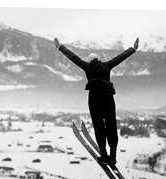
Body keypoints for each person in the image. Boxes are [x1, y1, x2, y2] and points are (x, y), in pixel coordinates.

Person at [55, 37, 139, 165]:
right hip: (108, 98)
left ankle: (104, 156)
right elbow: (120, 58)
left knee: (99, 127)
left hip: (94, 100)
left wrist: (60, 47)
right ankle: (113, 156)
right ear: (98, 59)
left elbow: (73, 58)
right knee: (111, 125)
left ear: (90, 61)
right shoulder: (107, 65)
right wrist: (133, 49)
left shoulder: (87, 67)